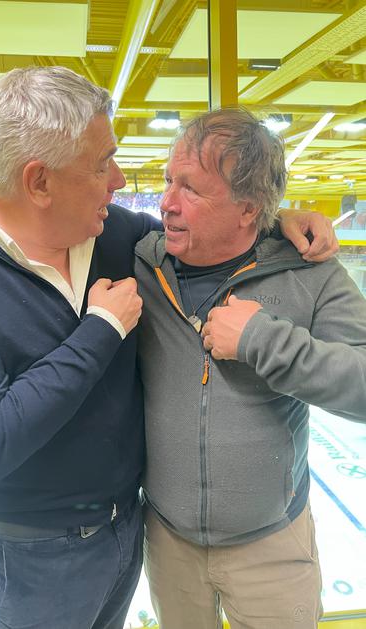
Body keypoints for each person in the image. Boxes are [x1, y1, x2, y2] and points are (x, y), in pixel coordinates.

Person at [0, 67, 337, 629]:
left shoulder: (112, 232)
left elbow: (210, 228)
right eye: (102, 163)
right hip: (32, 557)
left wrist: (279, 220)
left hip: (129, 529)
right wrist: (101, 329)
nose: (120, 180)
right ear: (39, 183)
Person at [135, 107, 366, 629]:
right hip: (168, 541)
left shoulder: (311, 273)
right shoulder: (143, 262)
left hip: (272, 547)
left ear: (247, 209)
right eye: (168, 181)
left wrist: (263, 340)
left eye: (190, 189)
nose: (166, 202)